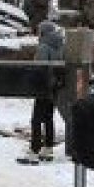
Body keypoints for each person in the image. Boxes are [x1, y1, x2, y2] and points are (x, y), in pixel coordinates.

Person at [21, 18, 63, 164]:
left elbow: (39, 69)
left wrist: (32, 83)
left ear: (44, 32)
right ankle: (48, 148)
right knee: (48, 118)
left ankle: (34, 150)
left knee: (36, 120)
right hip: (54, 87)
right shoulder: (60, 45)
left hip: (43, 87)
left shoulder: (44, 47)